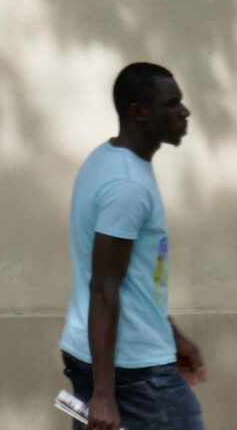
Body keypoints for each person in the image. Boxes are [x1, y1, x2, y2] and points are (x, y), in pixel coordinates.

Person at [60, 63, 204, 430]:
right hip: (134, 372)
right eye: (172, 104)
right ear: (138, 112)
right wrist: (104, 396)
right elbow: (104, 287)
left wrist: (171, 335)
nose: (184, 112)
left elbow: (134, 278)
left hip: (109, 357)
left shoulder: (107, 161)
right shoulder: (127, 184)